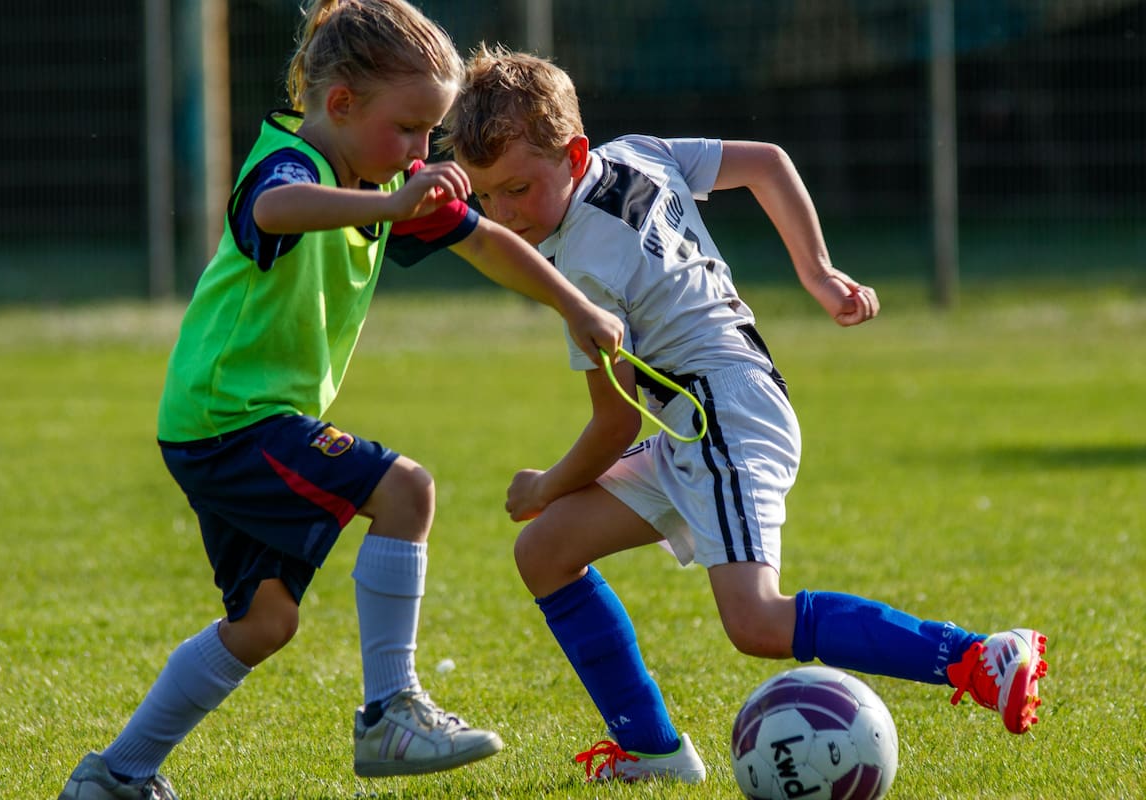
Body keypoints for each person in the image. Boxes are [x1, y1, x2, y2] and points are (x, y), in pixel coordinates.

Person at [440, 44, 1049, 785]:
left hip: (719, 411)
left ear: (572, 154)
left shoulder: (588, 268)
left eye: (518, 189)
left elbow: (614, 425)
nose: (502, 214)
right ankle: (653, 750)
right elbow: (765, 162)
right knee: (546, 552)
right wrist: (816, 271)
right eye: (486, 198)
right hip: (710, 410)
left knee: (756, 621)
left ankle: (977, 657)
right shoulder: (635, 154)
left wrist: (544, 485)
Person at [57, 5, 625, 799]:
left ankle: (116, 776)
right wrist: (393, 207)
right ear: (342, 104)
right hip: (233, 420)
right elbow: (270, 211)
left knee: (265, 625)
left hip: (218, 426)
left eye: (432, 133)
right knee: (407, 489)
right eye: (409, 129)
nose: (422, 153)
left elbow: (487, 241)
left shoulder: (381, 177)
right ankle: (391, 711)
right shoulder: (292, 164)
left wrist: (572, 304)